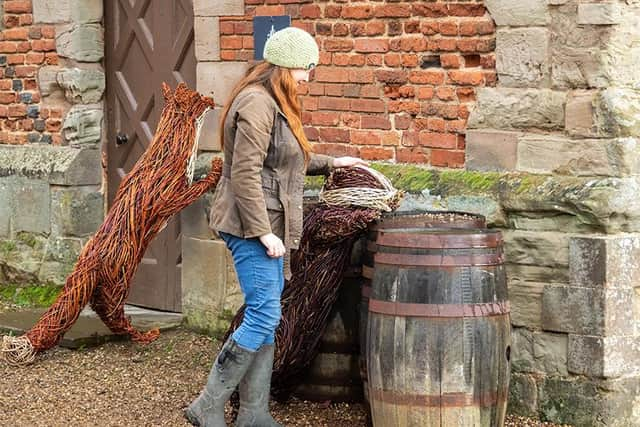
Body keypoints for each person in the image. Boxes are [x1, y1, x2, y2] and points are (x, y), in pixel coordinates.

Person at [184, 27, 367, 427]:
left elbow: (285, 161)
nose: (308, 77)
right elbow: (246, 173)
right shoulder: (256, 103)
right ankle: (207, 405)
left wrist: (334, 164)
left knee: (265, 314)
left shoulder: (274, 101)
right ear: (286, 66)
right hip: (250, 226)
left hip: (267, 224)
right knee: (265, 316)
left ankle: (253, 413)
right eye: (306, 68)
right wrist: (263, 231)